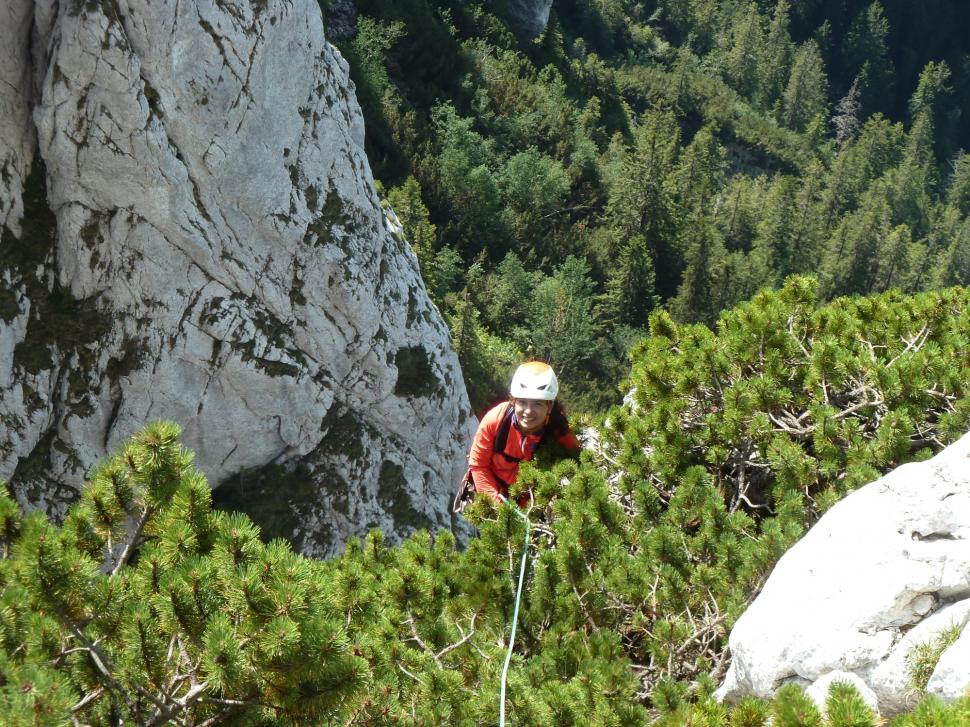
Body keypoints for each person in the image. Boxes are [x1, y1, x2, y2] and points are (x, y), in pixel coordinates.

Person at [465, 361, 581, 507]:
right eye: (522, 402)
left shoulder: (559, 430)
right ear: (513, 401)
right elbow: (478, 464)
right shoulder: (496, 420)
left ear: (549, 406)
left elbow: (579, 466)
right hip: (491, 490)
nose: (528, 411)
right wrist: (499, 507)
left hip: (532, 502)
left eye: (537, 403)